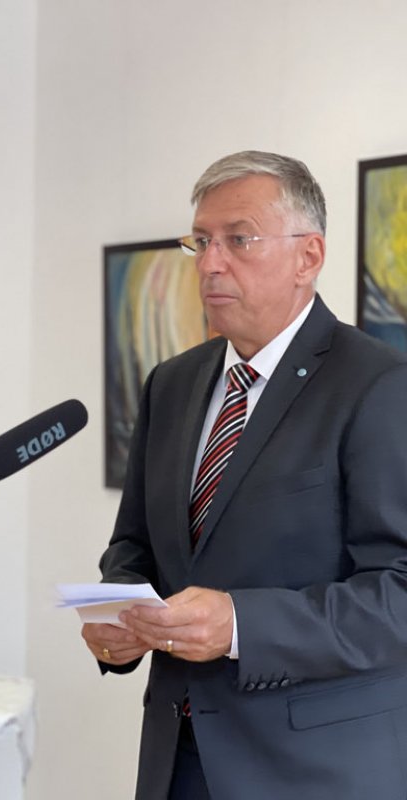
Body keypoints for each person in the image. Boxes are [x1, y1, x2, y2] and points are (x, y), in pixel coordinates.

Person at [81, 150, 407, 800]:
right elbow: (134, 544)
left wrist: (241, 626)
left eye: (238, 240)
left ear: (308, 257)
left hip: (313, 771)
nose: (209, 263)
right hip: (176, 758)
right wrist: (120, 612)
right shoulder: (172, 384)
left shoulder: (378, 385)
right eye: (200, 241)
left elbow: (398, 594)